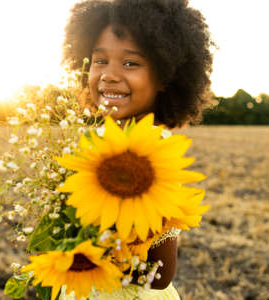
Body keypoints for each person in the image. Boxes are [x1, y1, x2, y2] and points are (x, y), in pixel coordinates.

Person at [60, 0, 213, 298]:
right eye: (99, 60)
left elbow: (160, 275)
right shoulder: (94, 145)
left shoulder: (154, 159)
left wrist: (106, 254)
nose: (110, 75)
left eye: (131, 63)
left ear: (167, 77)